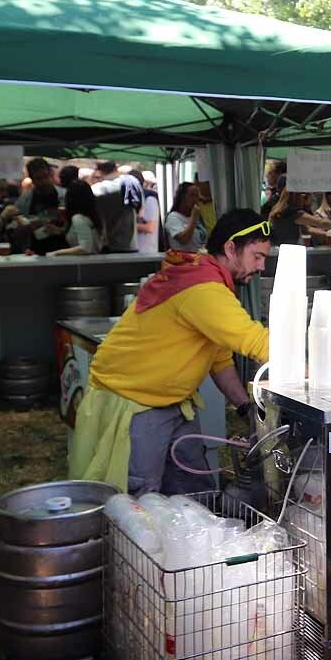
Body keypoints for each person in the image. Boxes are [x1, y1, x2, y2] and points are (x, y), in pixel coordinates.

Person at [68, 209, 272, 495]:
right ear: (230, 248)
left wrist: (244, 406)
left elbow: (219, 358)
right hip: (136, 402)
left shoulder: (203, 276)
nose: (261, 266)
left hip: (174, 403)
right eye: (257, 257)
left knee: (193, 489)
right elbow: (256, 342)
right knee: (141, 500)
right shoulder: (203, 288)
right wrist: (309, 358)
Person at [267, 186, 331, 246]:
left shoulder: (277, 210)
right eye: (305, 196)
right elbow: (320, 222)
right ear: (295, 197)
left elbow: (307, 229)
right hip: (285, 252)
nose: (306, 200)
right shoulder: (291, 212)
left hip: (276, 250)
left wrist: (326, 234)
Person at [90, 161, 141, 253]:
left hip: (105, 244)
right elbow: (140, 212)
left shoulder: (94, 189)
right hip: (129, 244)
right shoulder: (131, 185)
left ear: (99, 171)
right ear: (116, 168)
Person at [50, 180, 102, 256]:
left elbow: (85, 248)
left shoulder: (78, 218)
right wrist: (59, 231)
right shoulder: (90, 216)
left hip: (84, 264)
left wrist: (56, 253)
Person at [166, 182, 209, 252]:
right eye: (192, 195)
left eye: (197, 196)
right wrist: (193, 218)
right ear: (182, 198)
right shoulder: (173, 217)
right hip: (184, 260)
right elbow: (184, 239)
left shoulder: (198, 216)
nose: (195, 199)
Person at [133, 170, 162, 255]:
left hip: (147, 252)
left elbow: (150, 227)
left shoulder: (149, 199)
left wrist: (128, 225)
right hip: (136, 252)